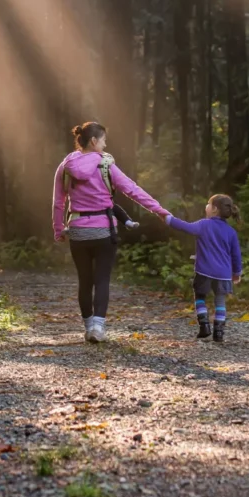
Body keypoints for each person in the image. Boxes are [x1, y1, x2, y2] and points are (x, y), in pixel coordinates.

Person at [53, 121, 170, 343]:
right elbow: (133, 190)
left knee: (85, 280)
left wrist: (59, 229)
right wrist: (159, 211)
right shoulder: (106, 165)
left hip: (78, 230)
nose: (105, 145)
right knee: (102, 279)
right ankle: (98, 328)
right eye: (104, 140)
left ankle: (88, 328)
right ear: (94, 141)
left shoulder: (66, 165)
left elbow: (58, 202)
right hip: (103, 230)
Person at [165, 194, 242, 343]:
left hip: (204, 271)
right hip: (223, 274)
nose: (206, 206)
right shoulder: (231, 232)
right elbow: (236, 255)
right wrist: (236, 272)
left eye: (208, 204)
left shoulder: (203, 225)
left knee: (200, 296)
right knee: (220, 301)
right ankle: (219, 332)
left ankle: (204, 325)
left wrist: (168, 219)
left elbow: (184, 226)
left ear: (214, 209)